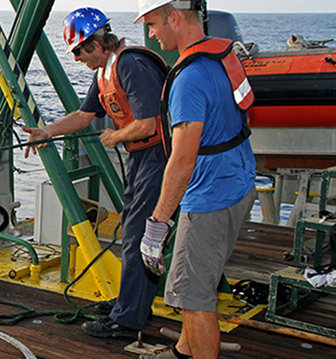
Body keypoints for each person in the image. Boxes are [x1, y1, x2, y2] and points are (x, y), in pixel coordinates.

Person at [23, 7, 168, 339]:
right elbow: (84, 116)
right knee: (134, 232)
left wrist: (115, 135)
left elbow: (148, 123)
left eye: (79, 51)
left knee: (136, 236)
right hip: (142, 159)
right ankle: (129, 305)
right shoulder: (105, 72)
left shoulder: (130, 64)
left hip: (158, 157)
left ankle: (127, 321)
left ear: (97, 43)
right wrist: (48, 131)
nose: (76, 59)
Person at [134, 1, 257, 358]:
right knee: (195, 285)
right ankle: (183, 351)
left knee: (195, 297)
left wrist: (157, 225)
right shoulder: (218, 59)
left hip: (210, 198)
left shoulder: (188, 78)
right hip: (237, 181)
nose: (151, 34)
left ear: (175, 17)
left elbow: (183, 159)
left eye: (154, 24)